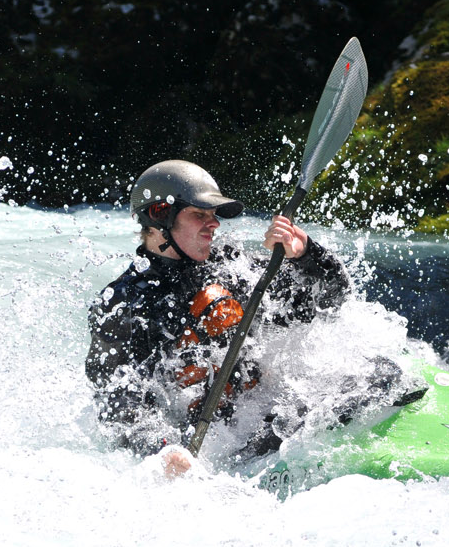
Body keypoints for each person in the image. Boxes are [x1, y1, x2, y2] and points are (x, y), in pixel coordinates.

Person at [85, 159, 352, 475]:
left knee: (371, 377)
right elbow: (119, 409)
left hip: (266, 416)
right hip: (219, 451)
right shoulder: (123, 304)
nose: (214, 225)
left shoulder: (229, 266)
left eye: (213, 216)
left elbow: (330, 300)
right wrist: (164, 453)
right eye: (200, 215)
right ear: (159, 216)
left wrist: (304, 252)